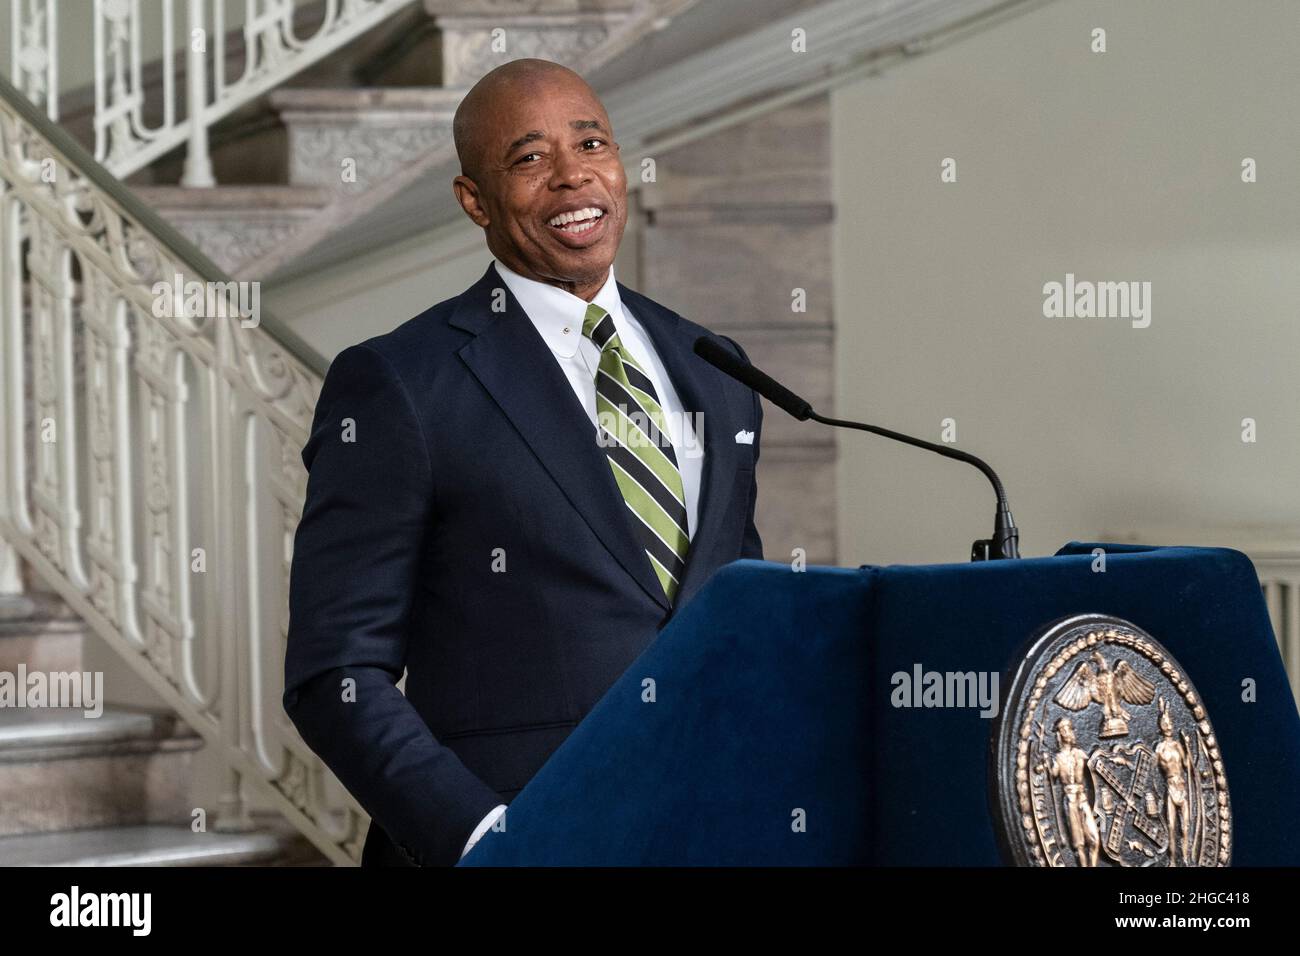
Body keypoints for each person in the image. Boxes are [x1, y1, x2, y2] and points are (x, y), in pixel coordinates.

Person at [282, 58, 764, 867]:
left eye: (591, 143)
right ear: (476, 200)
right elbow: (335, 673)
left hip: (708, 827)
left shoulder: (715, 366)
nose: (573, 177)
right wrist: (485, 838)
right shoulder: (400, 383)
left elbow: (737, 612)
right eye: (530, 159)